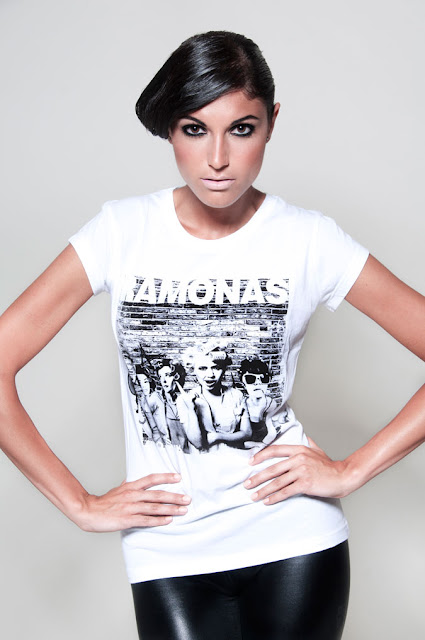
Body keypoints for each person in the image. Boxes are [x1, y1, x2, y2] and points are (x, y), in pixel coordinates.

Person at [0, 29, 423, 640]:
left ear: (271, 123)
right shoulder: (121, 232)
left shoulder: (308, 240)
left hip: (294, 541)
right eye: (194, 129)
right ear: (172, 131)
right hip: (167, 549)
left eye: (241, 129)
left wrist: (351, 470)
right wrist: (80, 504)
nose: (217, 158)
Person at [176, 341, 252, 449]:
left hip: (233, 454)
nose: (210, 374)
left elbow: (247, 433)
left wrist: (218, 437)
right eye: (202, 368)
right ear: (193, 370)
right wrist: (191, 409)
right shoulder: (185, 400)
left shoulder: (236, 395)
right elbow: (198, 444)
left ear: (224, 370)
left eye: (216, 368)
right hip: (202, 458)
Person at [239, 357, 278, 447]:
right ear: (243, 382)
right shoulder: (242, 405)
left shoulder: (271, 404)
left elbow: (273, 433)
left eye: (263, 378)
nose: (258, 383)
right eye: (250, 379)